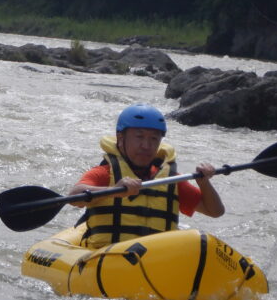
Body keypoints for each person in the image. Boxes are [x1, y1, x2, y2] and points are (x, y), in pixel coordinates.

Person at [69, 103, 225, 249]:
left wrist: (204, 183)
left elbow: (215, 211)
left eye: (154, 139)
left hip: (156, 262)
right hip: (108, 260)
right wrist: (115, 190)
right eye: (139, 137)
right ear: (121, 138)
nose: (146, 146)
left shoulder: (170, 180)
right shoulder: (104, 173)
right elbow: (75, 197)